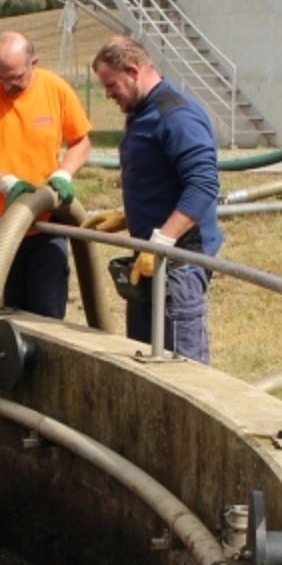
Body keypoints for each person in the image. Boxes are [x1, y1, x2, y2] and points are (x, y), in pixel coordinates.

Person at [90, 35, 222, 363]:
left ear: (133, 72)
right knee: (144, 361)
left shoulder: (176, 116)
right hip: (149, 257)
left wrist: (163, 241)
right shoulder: (141, 111)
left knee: (181, 366)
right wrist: (127, 215)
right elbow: (160, 178)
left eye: (111, 85)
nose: (108, 94)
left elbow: (203, 186)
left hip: (178, 262)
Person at [0, 31, 92, 319]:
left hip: (46, 226)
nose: (6, 86)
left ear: (34, 63)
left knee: (47, 316)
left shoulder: (55, 89)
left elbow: (81, 142)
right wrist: (5, 183)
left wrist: (64, 174)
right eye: (0, 77)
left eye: (15, 78)